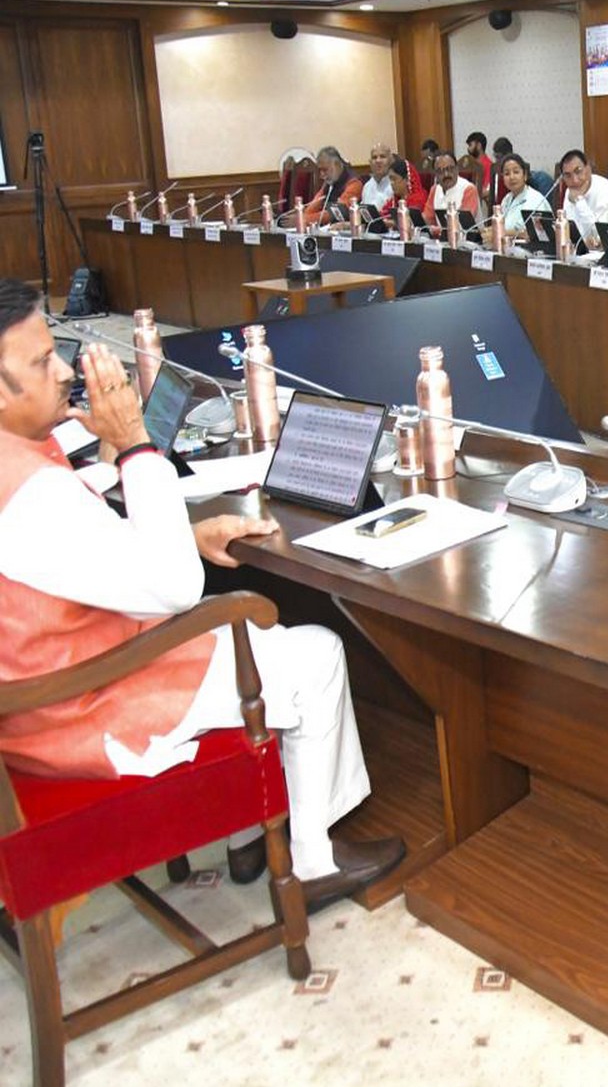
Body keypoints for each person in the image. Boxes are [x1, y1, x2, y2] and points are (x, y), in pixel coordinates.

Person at [0, 280, 405, 906]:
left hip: (43, 690)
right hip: (81, 706)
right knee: (315, 651)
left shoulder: (15, 458)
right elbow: (173, 590)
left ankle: (253, 827)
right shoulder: (29, 497)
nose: (62, 372)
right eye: (40, 362)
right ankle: (312, 859)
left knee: (249, 635)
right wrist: (135, 442)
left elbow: (79, 553)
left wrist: (187, 532)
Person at [558, 148, 608, 247]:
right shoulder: (570, 191)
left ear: (588, 168)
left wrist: (580, 202)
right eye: (568, 175)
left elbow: (600, 235)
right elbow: (569, 230)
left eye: (578, 171)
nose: (575, 180)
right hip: (579, 252)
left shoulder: (605, 190)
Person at [293, 146, 363, 228]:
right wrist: (302, 218)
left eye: (325, 170)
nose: (322, 175)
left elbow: (335, 214)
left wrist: (303, 220)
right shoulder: (329, 183)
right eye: (320, 170)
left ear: (336, 164)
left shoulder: (354, 183)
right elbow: (312, 208)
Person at [495, 152, 553, 240]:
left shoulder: (536, 200)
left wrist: (503, 232)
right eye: (507, 174)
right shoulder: (506, 199)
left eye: (516, 172)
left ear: (525, 175)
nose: (511, 177)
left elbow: (537, 234)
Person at [422, 152, 480, 231]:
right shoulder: (435, 190)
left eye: (450, 169)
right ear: (435, 174)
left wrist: (436, 230)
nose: (446, 174)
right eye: (440, 171)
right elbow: (427, 220)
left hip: (469, 241)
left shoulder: (469, 189)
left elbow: (462, 226)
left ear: (457, 169)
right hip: (442, 240)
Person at [380, 155, 426, 233]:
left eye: (394, 179)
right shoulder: (394, 201)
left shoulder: (419, 199)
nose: (391, 183)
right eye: (390, 179)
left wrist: (391, 223)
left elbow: (412, 223)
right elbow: (381, 215)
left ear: (407, 179)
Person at [360, 142, 395, 214]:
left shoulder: (395, 184)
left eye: (382, 156)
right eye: (374, 157)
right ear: (370, 162)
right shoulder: (367, 187)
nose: (378, 161)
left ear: (391, 161)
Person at [463, 130, 494, 200]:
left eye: (470, 145)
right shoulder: (468, 164)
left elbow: (486, 191)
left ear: (479, 146)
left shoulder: (489, 165)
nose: (468, 149)